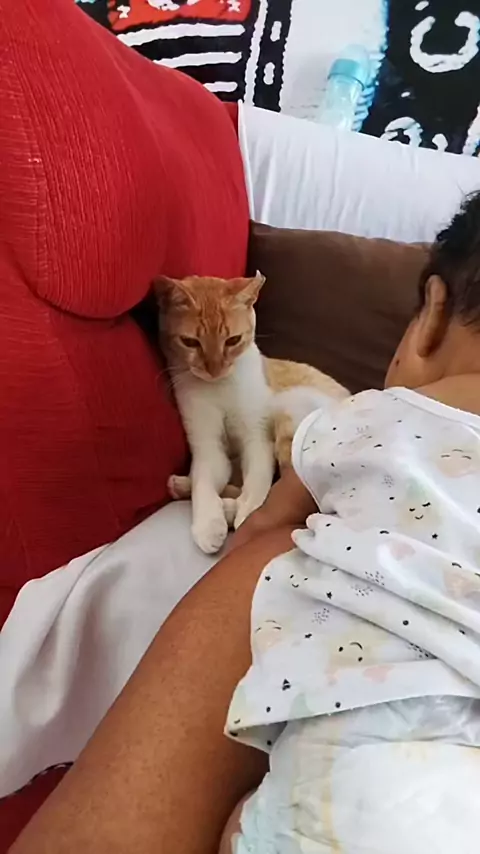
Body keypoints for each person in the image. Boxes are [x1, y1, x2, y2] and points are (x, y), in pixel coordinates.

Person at [11, 192, 480, 853]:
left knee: (252, 820)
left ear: (429, 314)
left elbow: (270, 521)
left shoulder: (372, 414)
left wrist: (246, 537)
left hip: (343, 790)